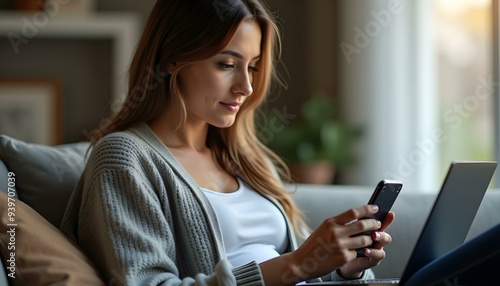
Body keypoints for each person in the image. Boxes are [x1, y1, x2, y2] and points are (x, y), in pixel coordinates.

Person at [60, 0, 395, 285]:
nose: (246, 87)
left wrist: (343, 269)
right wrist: (291, 266)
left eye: (252, 67)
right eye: (227, 65)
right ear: (172, 59)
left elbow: (301, 268)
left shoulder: (248, 160)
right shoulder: (123, 158)